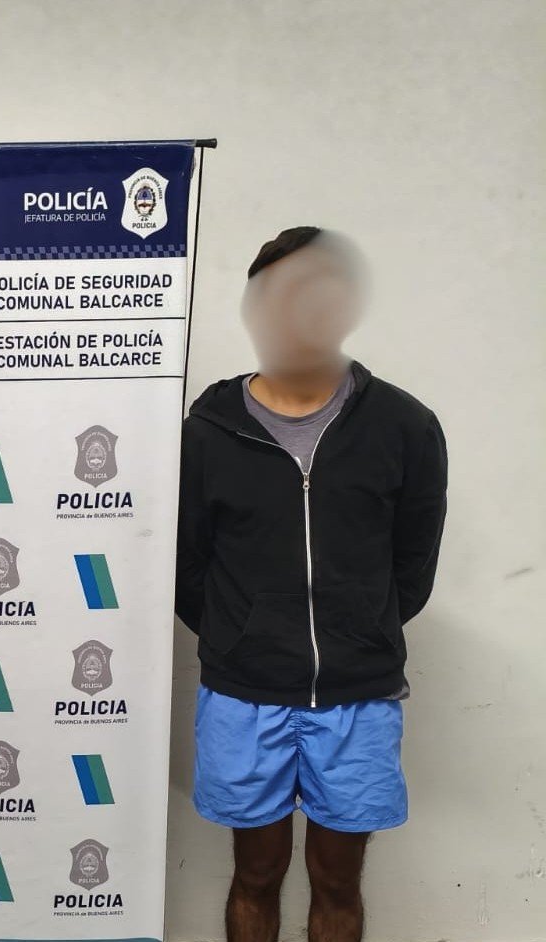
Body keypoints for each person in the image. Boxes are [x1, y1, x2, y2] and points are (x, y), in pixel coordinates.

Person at [175, 226, 448, 942]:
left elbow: (412, 566)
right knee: (256, 874)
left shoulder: (405, 426)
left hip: (357, 693)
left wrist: (357, 630)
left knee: (336, 881)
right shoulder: (206, 432)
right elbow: (187, 565)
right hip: (244, 692)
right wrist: (242, 635)